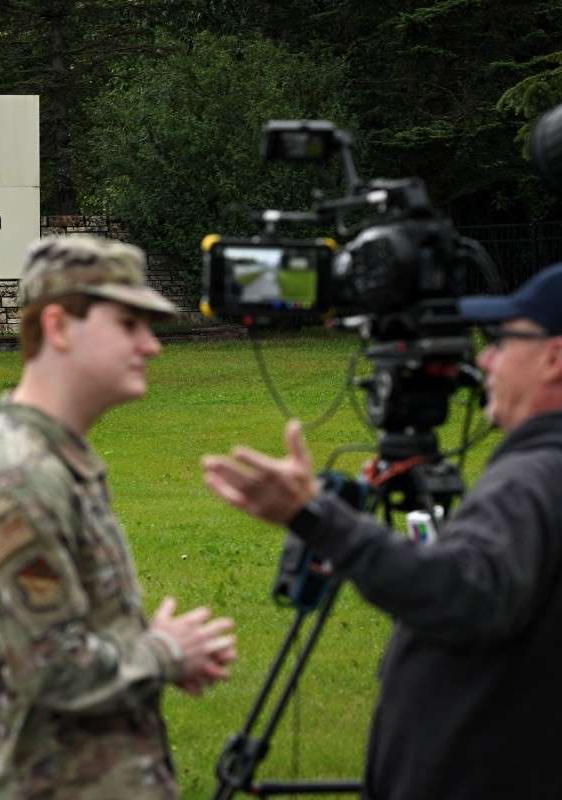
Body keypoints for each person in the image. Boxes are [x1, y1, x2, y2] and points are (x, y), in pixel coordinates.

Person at [201, 263, 562, 798]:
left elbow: (461, 594)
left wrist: (317, 517)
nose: (483, 358)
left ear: (554, 357)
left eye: (502, 341)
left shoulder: (535, 478)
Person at [0, 235, 238, 799]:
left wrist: (145, 643)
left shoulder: (55, 461)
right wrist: (165, 652)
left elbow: (65, 629)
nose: (152, 346)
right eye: (129, 324)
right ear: (58, 327)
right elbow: (53, 666)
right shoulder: (21, 479)